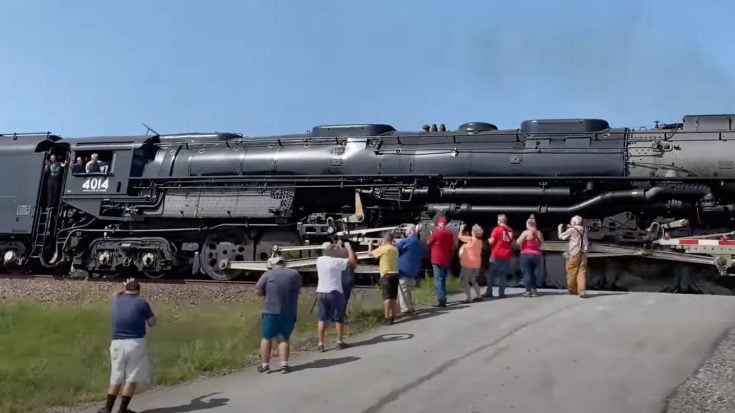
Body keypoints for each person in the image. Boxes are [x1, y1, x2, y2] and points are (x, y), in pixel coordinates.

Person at [98, 278, 156, 413]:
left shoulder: (117, 301)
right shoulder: (142, 303)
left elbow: (115, 294)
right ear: (138, 291)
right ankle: (122, 410)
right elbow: (153, 323)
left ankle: (107, 409)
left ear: (125, 290)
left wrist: (124, 287)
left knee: (116, 376)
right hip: (135, 343)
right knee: (131, 377)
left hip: (117, 343)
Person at [254, 255, 303, 374]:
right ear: (283, 263)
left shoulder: (268, 274)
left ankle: (265, 365)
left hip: (271, 311)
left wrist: (267, 293)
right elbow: (299, 289)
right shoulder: (294, 274)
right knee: (283, 338)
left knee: (267, 338)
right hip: (289, 311)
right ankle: (284, 366)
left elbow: (258, 291)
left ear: (272, 264)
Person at [315, 241, 357, 351]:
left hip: (321, 292)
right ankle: (339, 341)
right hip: (335, 292)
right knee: (339, 317)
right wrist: (348, 247)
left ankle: (320, 344)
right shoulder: (336, 261)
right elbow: (352, 261)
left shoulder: (319, 260)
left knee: (322, 318)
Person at [369, 233, 400, 325]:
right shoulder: (395, 249)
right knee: (393, 297)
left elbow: (371, 254)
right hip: (395, 274)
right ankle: (392, 316)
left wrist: (370, 245)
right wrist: (381, 245)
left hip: (386, 274)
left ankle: (386, 317)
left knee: (387, 297)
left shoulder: (383, 249)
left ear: (385, 240)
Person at [558, 215, 589, 298]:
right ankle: (582, 291)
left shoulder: (572, 229)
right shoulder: (584, 229)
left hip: (575, 253)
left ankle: (572, 289)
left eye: (572, 221)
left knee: (571, 271)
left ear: (574, 222)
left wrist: (559, 228)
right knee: (582, 272)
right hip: (583, 253)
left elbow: (561, 237)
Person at [395, 225, 424, 314]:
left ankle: (405, 308)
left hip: (404, 268)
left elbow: (395, 248)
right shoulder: (418, 242)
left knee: (403, 289)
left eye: (406, 232)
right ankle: (410, 306)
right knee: (407, 289)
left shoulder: (406, 241)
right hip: (413, 269)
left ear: (410, 232)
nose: (405, 233)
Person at [427, 216, 455, 307]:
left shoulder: (435, 233)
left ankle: (441, 300)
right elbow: (452, 247)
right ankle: (444, 298)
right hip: (446, 259)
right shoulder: (450, 234)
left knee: (438, 280)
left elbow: (429, 243)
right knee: (443, 279)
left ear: (438, 224)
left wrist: (431, 234)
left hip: (437, 259)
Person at [487, 214, 514, 298]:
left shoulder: (496, 229)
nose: (497, 221)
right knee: (503, 275)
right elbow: (512, 243)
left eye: (498, 220)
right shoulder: (510, 230)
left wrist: (487, 240)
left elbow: (491, 242)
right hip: (506, 256)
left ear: (500, 221)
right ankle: (501, 293)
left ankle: (489, 292)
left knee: (491, 275)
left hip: (495, 255)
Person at [517, 215, 544, 297]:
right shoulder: (539, 233)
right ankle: (534, 290)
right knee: (532, 273)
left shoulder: (526, 232)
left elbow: (518, 242)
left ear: (528, 224)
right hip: (537, 256)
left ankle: (528, 291)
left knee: (527, 273)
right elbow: (542, 243)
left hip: (526, 254)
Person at [458, 223, 484, 303]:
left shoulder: (471, 239)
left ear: (473, 232)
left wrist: (461, 229)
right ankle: (479, 296)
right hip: (476, 264)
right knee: (473, 280)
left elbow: (459, 237)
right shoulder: (480, 241)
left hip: (468, 264)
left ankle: (468, 298)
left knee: (465, 281)